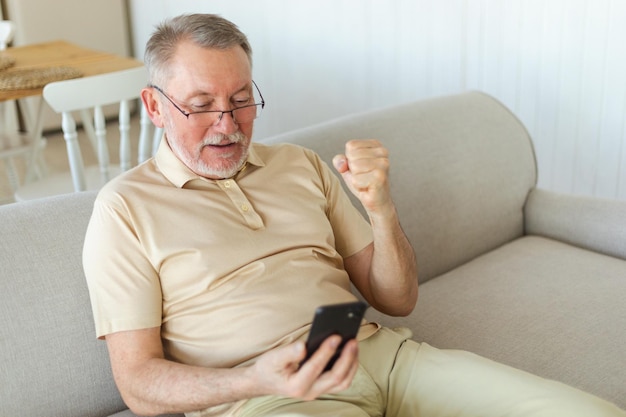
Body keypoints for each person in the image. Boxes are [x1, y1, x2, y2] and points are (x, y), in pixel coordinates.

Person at [83, 13, 625, 417]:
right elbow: (137, 384)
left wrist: (381, 207)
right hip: (272, 401)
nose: (227, 125)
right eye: (200, 105)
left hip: (385, 358)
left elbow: (396, 299)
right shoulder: (124, 209)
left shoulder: (299, 165)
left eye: (242, 100)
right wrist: (250, 379)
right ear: (154, 106)